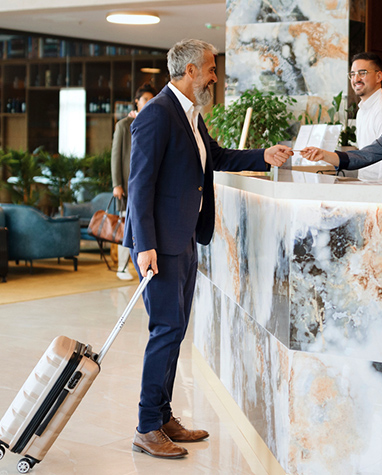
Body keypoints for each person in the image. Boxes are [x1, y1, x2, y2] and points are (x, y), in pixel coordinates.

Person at [124, 38, 291, 460]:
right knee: (164, 331)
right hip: (159, 246)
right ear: (190, 71)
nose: (216, 76)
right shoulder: (156, 116)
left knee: (175, 331)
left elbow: (215, 157)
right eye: (211, 68)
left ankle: (162, 417)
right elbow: (139, 188)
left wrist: (263, 156)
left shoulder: (190, 115)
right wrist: (144, 247)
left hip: (183, 240)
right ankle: (147, 427)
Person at [110, 83, 158, 281]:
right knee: (126, 225)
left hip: (146, 187)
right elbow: (116, 156)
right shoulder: (123, 125)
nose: (148, 103)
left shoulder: (155, 123)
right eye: (145, 99)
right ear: (137, 101)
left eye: (151, 99)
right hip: (128, 186)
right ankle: (122, 267)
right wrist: (116, 184)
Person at [348, 52, 382, 181]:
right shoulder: (362, 109)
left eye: (362, 73)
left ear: (378, 76)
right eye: (352, 74)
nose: (356, 79)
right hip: (365, 185)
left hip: (380, 189)